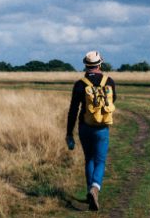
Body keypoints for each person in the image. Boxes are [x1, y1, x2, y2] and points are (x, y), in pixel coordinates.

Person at [66, 50, 117, 211]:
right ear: (100, 64)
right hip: (102, 127)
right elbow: (112, 100)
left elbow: (73, 110)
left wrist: (69, 133)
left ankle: (90, 191)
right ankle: (95, 188)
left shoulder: (80, 84)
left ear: (86, 65)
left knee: (89, 159)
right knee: (100, 161)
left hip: (85, 127)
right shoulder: (109, 81)